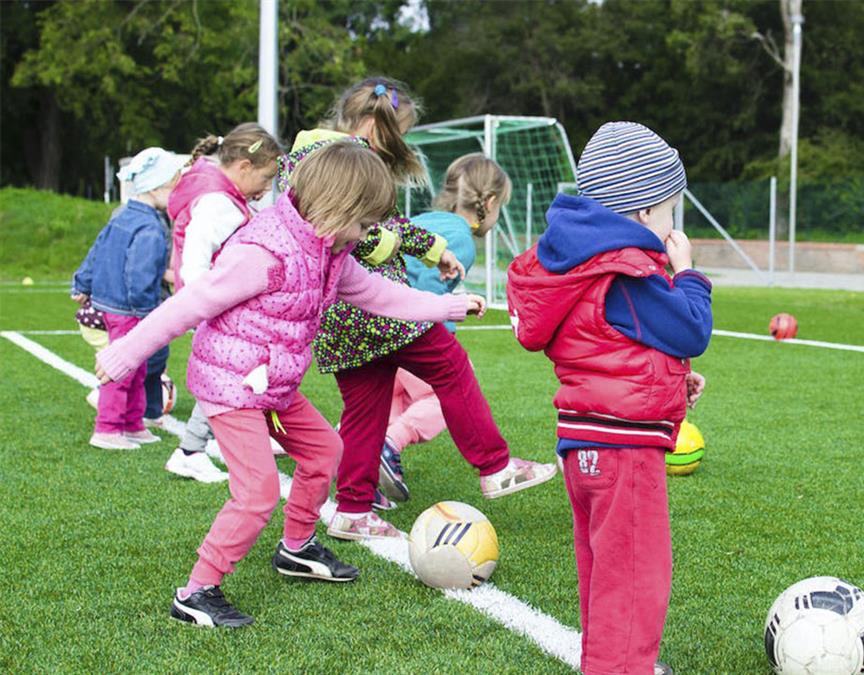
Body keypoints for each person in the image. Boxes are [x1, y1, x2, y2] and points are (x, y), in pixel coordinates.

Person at [94, 141, 486, 628]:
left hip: (273, 385)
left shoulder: (330, 250)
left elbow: (377, 294)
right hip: (232, 385)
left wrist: (446, 306)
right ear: (337, 208)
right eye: (365, 224)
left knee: (326, 451)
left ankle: (296, 548)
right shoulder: (263, 252)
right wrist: (125, 353)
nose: (368, 235)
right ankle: (196, 592)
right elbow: (190, 304)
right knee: (257, 492)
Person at [278, 77, 555, 542]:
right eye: (396, 133)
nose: (397, 146)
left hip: (339, 318)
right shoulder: (340, 159)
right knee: (450, 365)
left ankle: (352, 508)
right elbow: (358, 233)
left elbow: (385, 222)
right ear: (371, 124)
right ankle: (495, 466)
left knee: (366, 407)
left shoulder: (309, 155)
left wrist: (434, 250)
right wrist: (396, 251)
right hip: (375, 307)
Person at [506, 122, 713, 675]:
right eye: (669, 208)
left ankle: (610, 663)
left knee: (604, 574)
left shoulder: (580, 263)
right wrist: (687, 272)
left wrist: (673, 380)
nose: (672, 223)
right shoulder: (626, 272)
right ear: (643, 212)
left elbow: (610, 345)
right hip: (623, 452)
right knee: (635, 580)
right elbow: (691, 328)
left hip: (585, 443)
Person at [376, 153, 511, 504]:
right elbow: (427, 286)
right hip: (407, 328)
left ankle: (353, 452)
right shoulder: (462, 239)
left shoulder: (425, 220)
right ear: (490, 203)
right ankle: (389, 445)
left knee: (390, 399)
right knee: (443, 393)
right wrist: (441, 334)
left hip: (375, 324)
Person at [163, 122, 283, 484]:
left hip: (221, 305)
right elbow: (196, 260)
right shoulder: (218, 203)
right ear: (244, 167)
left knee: (242, 372)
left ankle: (207, 444)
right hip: (217, 307)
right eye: (265, 178)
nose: (266, 190)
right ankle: (190, 450)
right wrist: (208, 303)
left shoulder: (225, 196)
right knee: (229, 376)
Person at [72, 147, 188, 450]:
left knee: (137, 367)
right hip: (131, 309)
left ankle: (133, 424)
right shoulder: (150, 226)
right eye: (174, 186)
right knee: (124, 369)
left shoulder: (122, 214)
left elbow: (96, 249)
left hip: (116, 305)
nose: (176, 194)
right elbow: (140, 274)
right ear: (157, 187)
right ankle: (108, 428)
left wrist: (82, 281)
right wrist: (147, 313)